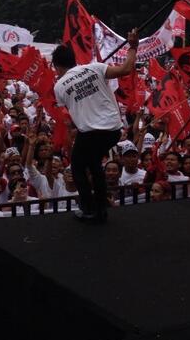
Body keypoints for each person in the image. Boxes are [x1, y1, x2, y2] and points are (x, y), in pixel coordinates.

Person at [52, 27, 140, 223]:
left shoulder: (59, 87)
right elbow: (126, 69)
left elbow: (68, 114)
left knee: (77, 167)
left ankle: (88, 208)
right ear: (74, 59)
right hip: (113, 130)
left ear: (56, 66)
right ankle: (100, 209)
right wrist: (133, 46)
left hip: (90, 132)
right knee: (93, 164)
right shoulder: (95, 67)